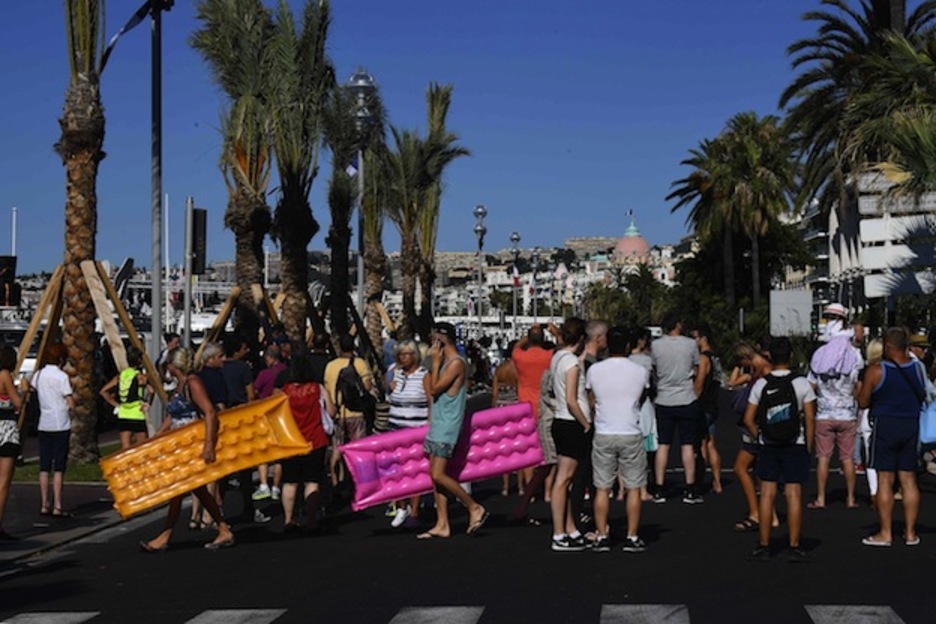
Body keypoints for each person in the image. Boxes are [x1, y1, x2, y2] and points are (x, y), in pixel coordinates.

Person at [141, 347, 234, 551]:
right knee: (194, 488)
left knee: (180, 488)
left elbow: (209, 411)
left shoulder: (192, 383)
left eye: (168, 363)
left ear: (175, 365)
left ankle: (165, 536)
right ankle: (223, 528)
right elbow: (173, 416)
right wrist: (159, 435)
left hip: (192, 444)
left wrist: (209, 445)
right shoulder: (181, 385)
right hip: (179, 444)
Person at [743, 337, 816, 562]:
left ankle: (764, 544)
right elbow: (811, 419)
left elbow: (748, 418)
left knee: (767, 494)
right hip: (795, 443)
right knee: (793, 494)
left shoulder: (761, 384)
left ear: (770, 357)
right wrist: (809, 446)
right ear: (791, 357)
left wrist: (760, 436)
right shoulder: (802, 383)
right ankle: (794, 545)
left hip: (769, 444)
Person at [417, 322, 488, 539]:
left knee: (438, 474)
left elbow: (434, 388)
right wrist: (433, 363)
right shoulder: (446, 362)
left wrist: (436, 362)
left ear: (440, 338)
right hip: (439, 422)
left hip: (447, 425)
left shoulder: (456, 363)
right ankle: (442, 523)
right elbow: (427, 384)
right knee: (436, 477)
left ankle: (473, 506)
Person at [585, 326, 650, 553]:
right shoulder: (640, 370)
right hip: (630, 430)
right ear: (627, 346)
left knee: (602, 488)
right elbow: (643, 395)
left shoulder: (595, 370)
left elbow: (591, 398)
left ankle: (602, 535)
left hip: (604, 431)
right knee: (633, 487)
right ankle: (632, 536)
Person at [857, 327, 923, 547]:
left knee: (885, 479)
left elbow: (863, 402)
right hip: (911, 425)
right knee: (909, 480)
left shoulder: (876, 371)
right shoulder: (918, 369)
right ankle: (911, 532)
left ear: (886, 346)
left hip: (885, 425)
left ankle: (885, 533)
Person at [807, 304, 862, 509]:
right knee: (847, 458)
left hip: (824, 413)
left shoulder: (819, 354)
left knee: (823, 458)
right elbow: (857, 384)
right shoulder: (855, 354)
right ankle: (850, 498)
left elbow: (810, 385)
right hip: (847, 413)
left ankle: (821, 498)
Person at [275, 349, 335, 533]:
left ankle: (288, 519)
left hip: (291, 441)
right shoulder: (317, 388)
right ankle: (312, 520)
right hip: (315, 440)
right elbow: (331, 412)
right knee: (312, 481)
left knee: (290, 481)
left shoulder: (284, 391)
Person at [548, 317, 592, 552]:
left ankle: (569, 528)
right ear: (581, 339)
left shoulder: (559, 357)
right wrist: (586, 424)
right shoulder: (571, 363)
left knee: (565, 479)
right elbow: (572, 400)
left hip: (562, 421)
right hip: (571, 422)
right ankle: (559, 533)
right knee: (564, 479)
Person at [650, 312, 702, 504]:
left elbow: (654, 369)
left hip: (664, 398)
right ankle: (690, 489)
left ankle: (659, 488)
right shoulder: (690, 344)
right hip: (686, 397)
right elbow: (696, 368)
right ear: (678, 324)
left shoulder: (656, 345)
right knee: (687, 445)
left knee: (663, 445)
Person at [221, 333, 269, 524]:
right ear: (237, 349)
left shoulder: (220, 368)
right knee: (246, 468)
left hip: (224, 418)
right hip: (241, 419)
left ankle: (218, 510)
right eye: (244, 348)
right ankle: (248, 507)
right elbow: (251, 396)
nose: (247, 351)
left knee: (223, 468)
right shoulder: (243, 368)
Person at [731, 342, 777, 533]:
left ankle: (755, 513)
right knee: (761, 472)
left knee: (740, 468)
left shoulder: (761, 371)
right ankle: (771, 515)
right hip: (758, 423)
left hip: (755, 425)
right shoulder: (761, 367)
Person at [386, 339, 431, 528]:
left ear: (415, 355)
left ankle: (414, 511)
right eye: (400, 354)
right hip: (396, 428)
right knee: (398, 471)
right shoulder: (396, 374)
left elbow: (431, 401)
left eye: (406, 354)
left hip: (416, 430)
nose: (403, 358)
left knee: (414, 472)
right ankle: (402, 506)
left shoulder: (424, 376)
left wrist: (430, 423)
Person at [323, 334, 373, 487]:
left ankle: (334, 478)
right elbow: (368, 387)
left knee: (337, 446)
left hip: (337, 413)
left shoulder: (330, 366)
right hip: (356, 412)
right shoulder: (360, 363)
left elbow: (326, 390)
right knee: (358, 448)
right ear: (354, 347)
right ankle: (359, 480)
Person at [31, 342, 74, 518]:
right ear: (61, 358)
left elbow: (30, 387)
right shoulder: (62, 377)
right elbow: (70, 401)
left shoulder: (39, 375)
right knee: (59, 466)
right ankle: (57, 504)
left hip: (44, 422)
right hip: (60, 423)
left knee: (44, 465)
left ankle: (44, 503)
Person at [99, 346, 152, 450]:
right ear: (139, 360)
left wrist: (117, 405)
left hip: (123, 415)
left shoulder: (120, 376)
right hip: (137, 414)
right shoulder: (140, 377)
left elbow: (103, 391)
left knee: (125, 448)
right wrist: (148, 403)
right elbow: (151, 391)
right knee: (141, 448)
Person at [691, 323, 723, 494]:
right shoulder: (716, 358)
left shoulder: (703, 358)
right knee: (711, 443)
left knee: (701, 444)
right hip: (713, 404)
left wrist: (692, 401)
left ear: (703, 338)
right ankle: (717, 482)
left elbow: (699, 384)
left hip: (703, 405)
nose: (693, 341)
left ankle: (699, 481)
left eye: (695, 337)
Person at [252, 345, 287, 503]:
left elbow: (254, 391)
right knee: (279, 454)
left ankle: (264, 484)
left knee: (263, 452)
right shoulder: (287, 371)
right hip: (281, 416)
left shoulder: (264, 374)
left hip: (264, 416)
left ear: (270, 358)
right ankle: (276, 487)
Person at [0, 346, 26, 539]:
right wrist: (23, 392)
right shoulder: (5, 375)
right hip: (6, 429)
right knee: (3, 482)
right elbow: (17, 402)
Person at [491, 341, 521, 496]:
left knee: (505, 449)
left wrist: (493, 410)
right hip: (516, 406)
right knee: (520, 448)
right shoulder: (519, 370)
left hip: (502, 407)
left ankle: (505, 487)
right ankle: (522, 487)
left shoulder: (500, 370)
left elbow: (495, 393)